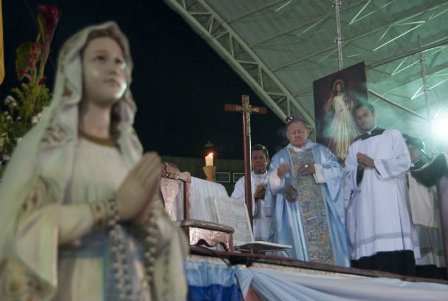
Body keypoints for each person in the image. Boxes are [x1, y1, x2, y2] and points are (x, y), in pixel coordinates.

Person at [0, 22, 188, 301]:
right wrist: (112, 208)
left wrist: (154, 226)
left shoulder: (129, 155)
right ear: (77, 71)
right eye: (100, 58)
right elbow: (26, 229)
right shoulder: (50, 148)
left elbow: (165, 238)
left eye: (120, 62)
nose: (113, 67)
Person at [344, 102, 417, 276]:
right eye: (358, 118)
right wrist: (360, 169)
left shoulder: (392, 135)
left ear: (374, 114)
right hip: (365, 202)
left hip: (389, 196)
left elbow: (404, 162)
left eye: (365, 115)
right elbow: (347, 177)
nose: (362, 120)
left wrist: (374, 163)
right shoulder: (354, 146)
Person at [267, 117, 349, 266]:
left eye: (300, 131)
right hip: (293, 213)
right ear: (287, 135)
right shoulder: (280, 157)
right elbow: (272, 187)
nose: (297, 135)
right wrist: (279, 174)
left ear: (307, 132)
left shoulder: (321, 151)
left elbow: (338, 171)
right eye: (293, 132)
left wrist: (317, 168)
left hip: (321, 211)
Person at [404, 134, 446, 278]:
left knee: (436, 252)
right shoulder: (402, 172)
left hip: (432, 214)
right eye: (406, 149)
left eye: (413, 149)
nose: (410, 152)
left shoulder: (430, 168)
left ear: (421, 150)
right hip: (413, 216)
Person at [231, 144, 271, 241]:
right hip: (250, 229)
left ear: (267, 160)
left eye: (261, 157)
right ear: (251, 161)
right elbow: (234, 205)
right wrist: (253, 197)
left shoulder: (274, 179)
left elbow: (282, 203)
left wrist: (268, 196)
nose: (258, 161)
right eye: (254, 158)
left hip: (270, 227)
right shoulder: (243, 182)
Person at [323, 79, 359, 162]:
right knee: (337, 135)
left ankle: (347, 152)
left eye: (339, 86)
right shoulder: (334, 98)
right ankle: (339, 153)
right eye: (337, 86)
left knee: (346, 133)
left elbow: (350, 104)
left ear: (341, 87)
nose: (338, 87)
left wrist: (346, 108)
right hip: (337, 117)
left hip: (344, 116)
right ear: (335, 87)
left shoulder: (345, 96)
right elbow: (330, 108)